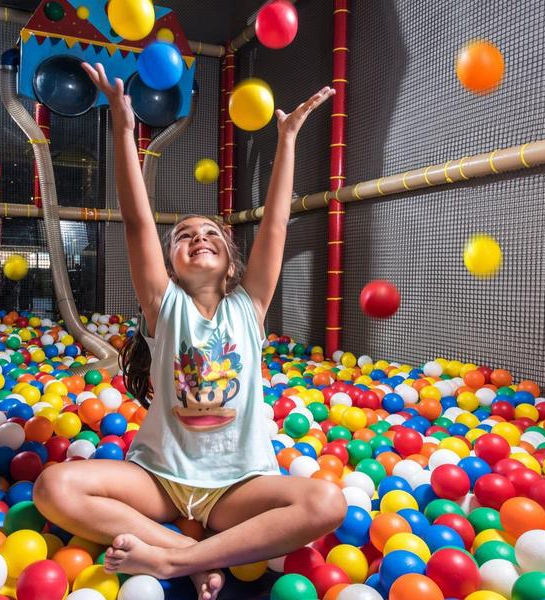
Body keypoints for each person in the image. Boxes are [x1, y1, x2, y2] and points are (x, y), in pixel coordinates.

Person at [33, 62, 345, 600]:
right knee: (53, 485)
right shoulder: (164, 305)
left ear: (230, 264)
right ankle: (185, 556)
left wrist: (288, 139)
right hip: (158, 479)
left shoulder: (250, 306)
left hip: (239, 485)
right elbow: (136, 221)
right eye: (183, 236)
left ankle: (179, 559)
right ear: (171, 264)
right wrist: (124, 129)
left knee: (328, 504)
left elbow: (275, 223)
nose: (198, 237)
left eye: (211, 235)